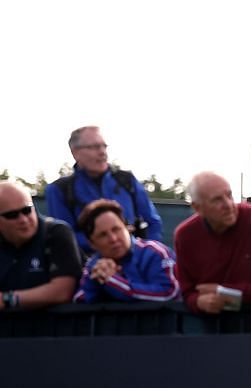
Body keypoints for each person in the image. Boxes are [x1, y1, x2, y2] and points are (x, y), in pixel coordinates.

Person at [173, 172, 251, 314]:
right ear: (198, 208)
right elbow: (187, 292)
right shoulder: (185, 236)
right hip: (213, 322)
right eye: (217, 200)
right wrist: (198, 302)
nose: (228, 204)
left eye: (229, 195)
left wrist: (223, 292)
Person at [42, 126, 164, 254]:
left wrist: (146, 254)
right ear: (75, 152)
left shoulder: (127, 180)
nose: (102, 152)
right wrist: (109, 244)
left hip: (137, 262)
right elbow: (65, 236)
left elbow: (153, 222)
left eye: (104, 146)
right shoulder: (59, 190)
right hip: (90, 266)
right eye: (94, 147)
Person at [74, 200, 182, 302]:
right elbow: (79, 300)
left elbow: (170, 293)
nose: (113, 239)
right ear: (92, 244)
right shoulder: (95, 266)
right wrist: (95, 280)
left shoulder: (155, 253)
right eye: (103, 235)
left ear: (128, 228)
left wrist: (113, 281)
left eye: (116, 229)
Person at [0, 181, 83, 312]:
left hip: (60, 329)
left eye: (27, 210)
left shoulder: (56, 232)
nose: (23, 219)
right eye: (12, 215)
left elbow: (62, 291)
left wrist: (8, 299)